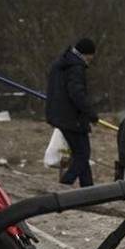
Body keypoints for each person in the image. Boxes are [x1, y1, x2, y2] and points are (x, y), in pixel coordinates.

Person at [46, 38, 99, 187]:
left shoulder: (61, 64)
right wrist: (91, 113)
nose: (91, 60)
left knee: (80, 154)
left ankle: (88, 188)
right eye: (91, 57)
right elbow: (77, 94)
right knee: (83, 155)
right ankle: (64, 184)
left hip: (59, 115)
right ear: (87, 54)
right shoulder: (76, 67)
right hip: (72, 118)